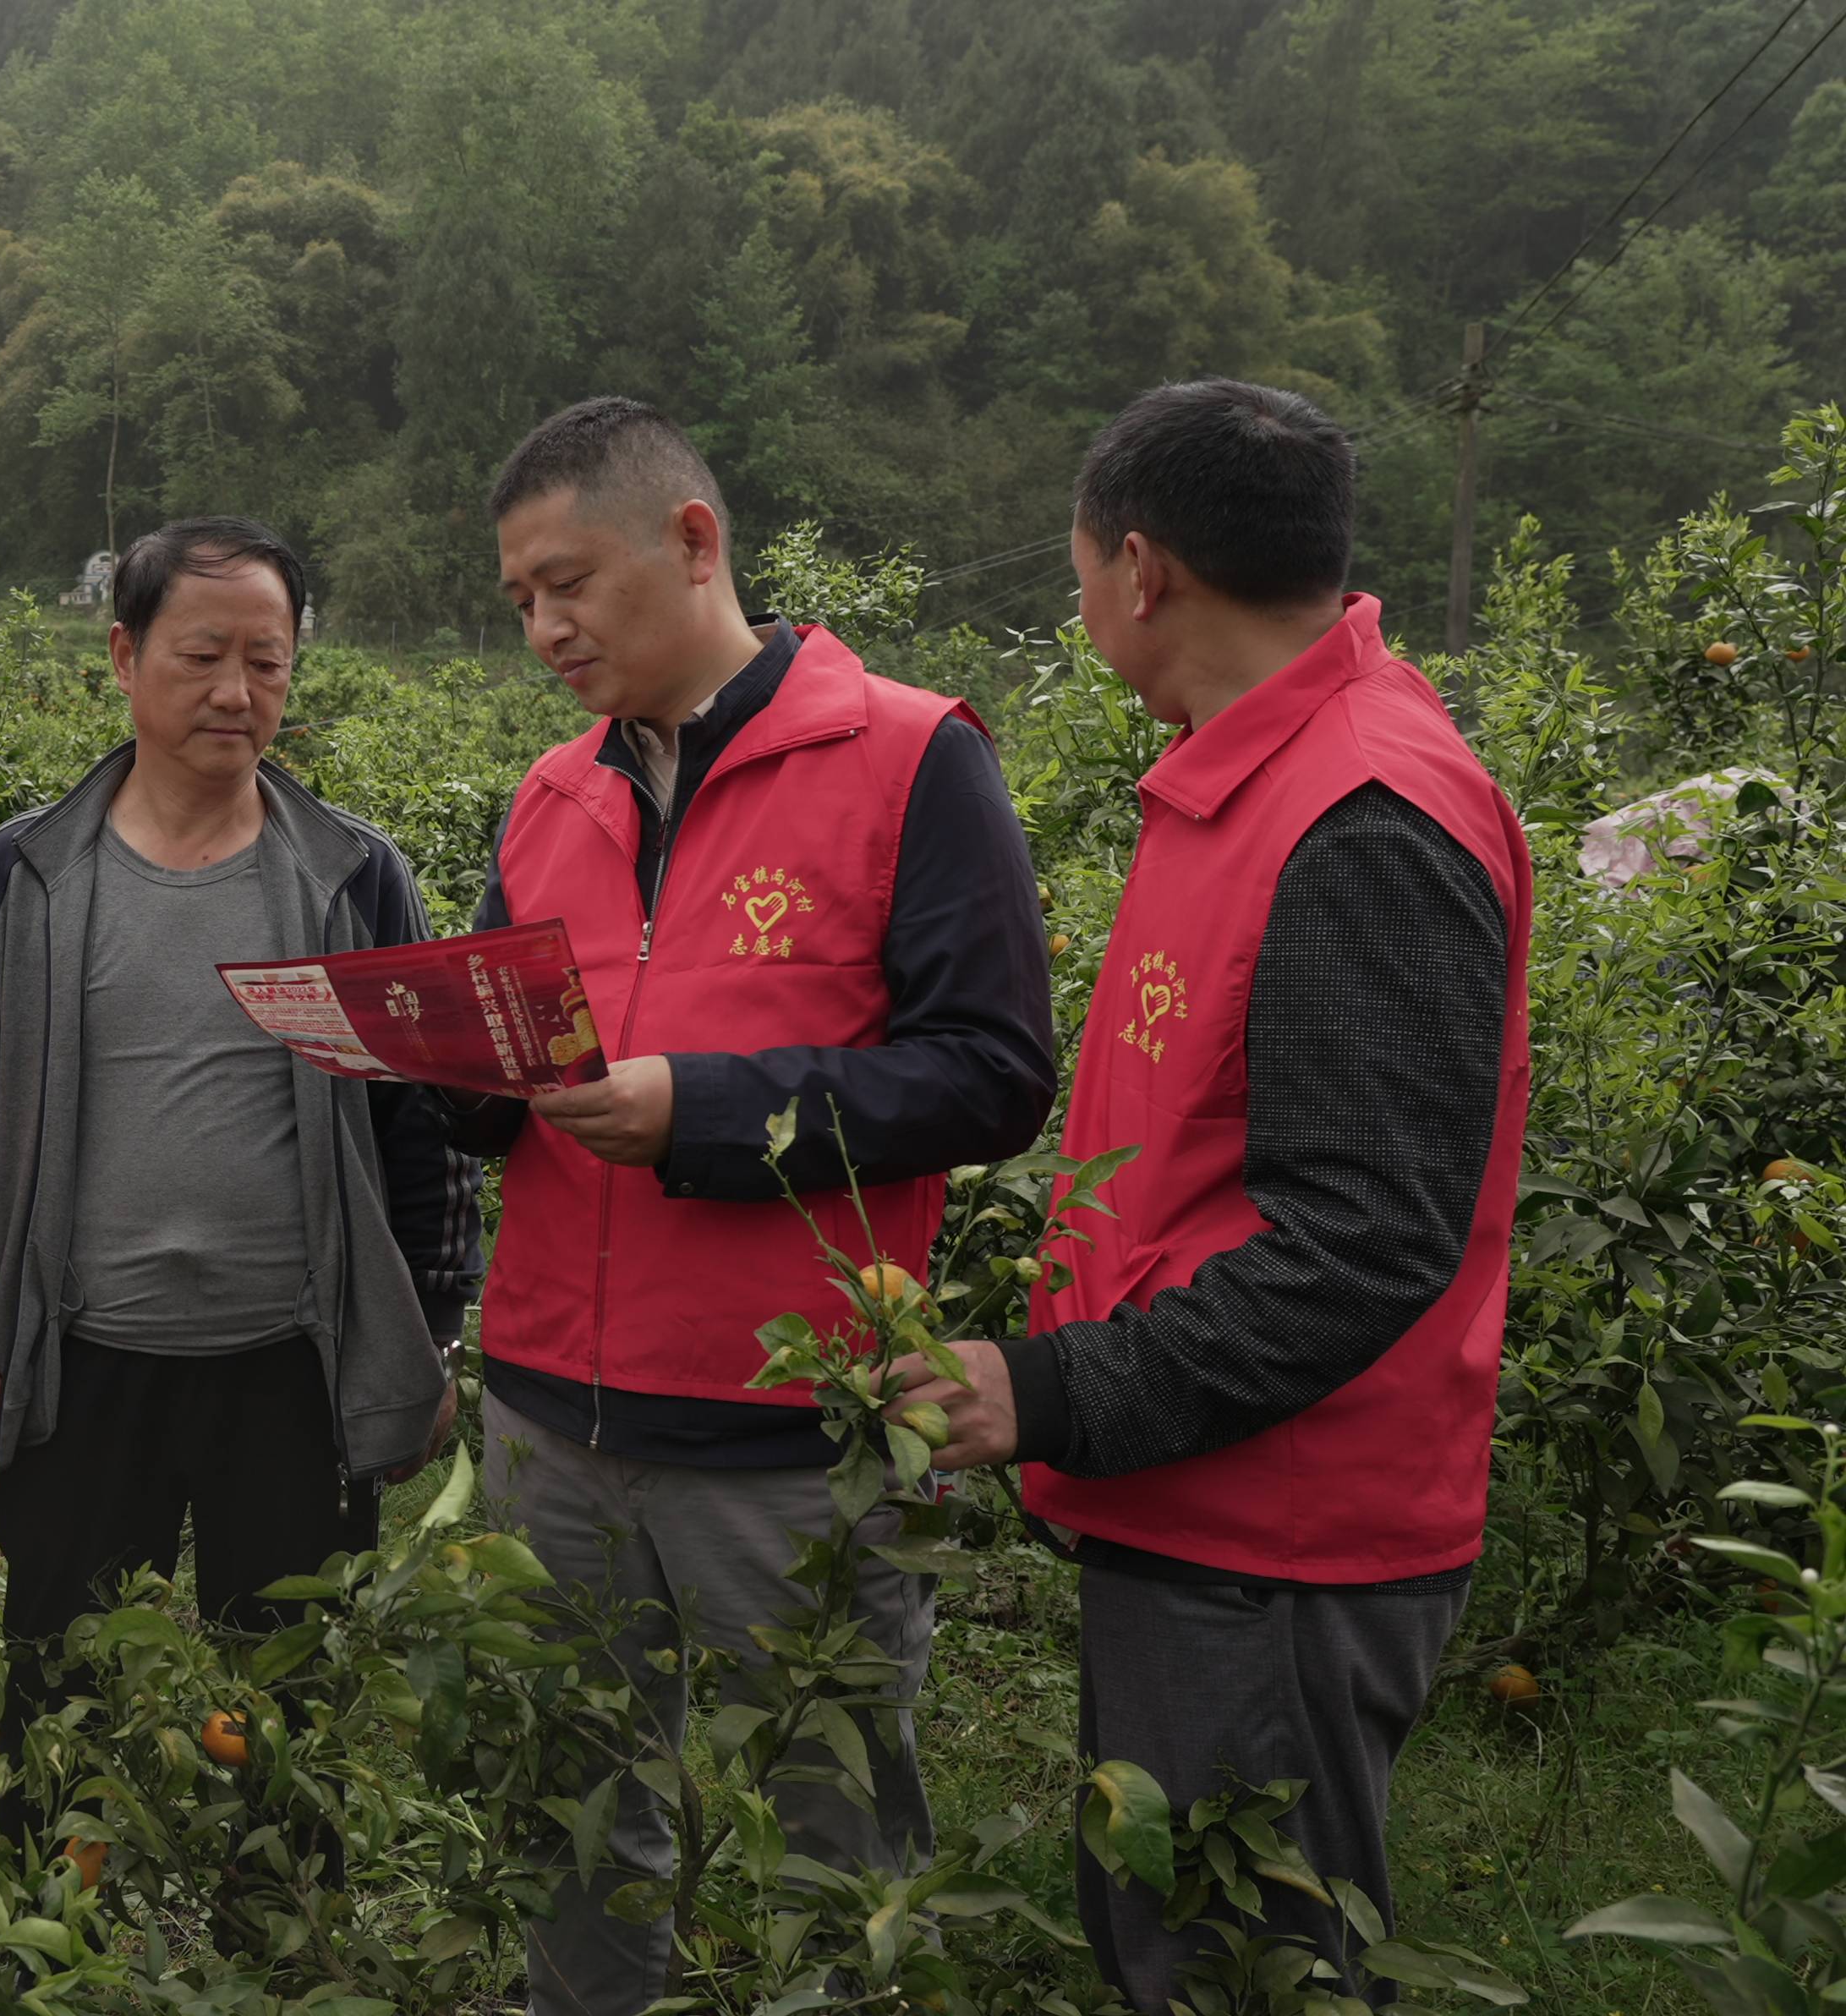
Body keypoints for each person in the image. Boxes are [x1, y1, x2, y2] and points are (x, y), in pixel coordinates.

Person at [895, 380, 1531, 2007]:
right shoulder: (1247, 774)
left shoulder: (1362, 819)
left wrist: (1050, 1386)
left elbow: (1360, 1240)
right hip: (1206, 1502)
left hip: (1283, 1539)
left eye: (1080, 565)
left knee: (1245, 1960)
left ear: (1140, 568)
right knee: (1174, 1931)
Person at [460, 397, 1058, 2013]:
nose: (546, 630)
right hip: (550, 1415)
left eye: (568, 583)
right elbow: (512, 1051)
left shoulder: (910, 756)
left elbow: (993, 1077)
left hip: (784, 1428)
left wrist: (703, 1111)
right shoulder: (548, 796)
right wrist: (436, 1067)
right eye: (520, 600)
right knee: (577, 1817)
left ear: (695, 541)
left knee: (832, 1836)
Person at [0, 517, 479, 1823]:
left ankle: (271, 1943)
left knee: (285, 1708)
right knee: (63, 1697)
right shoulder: (29, 875)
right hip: (81, 1363)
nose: (238, 692)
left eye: (268, 663)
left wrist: (430, 1333)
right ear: (124, 655)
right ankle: (66, 1938)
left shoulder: (351, 873)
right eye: (204, 655)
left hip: (292, 1365)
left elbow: (419, 1120)